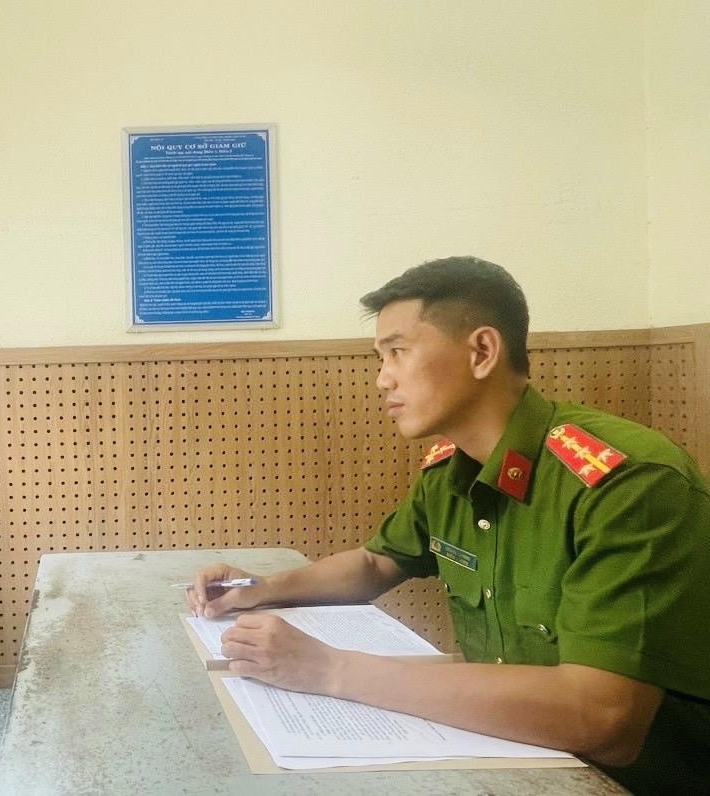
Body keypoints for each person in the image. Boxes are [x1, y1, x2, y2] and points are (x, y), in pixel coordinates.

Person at [185, 256, 710, 792]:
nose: (381, 379)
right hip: (516, 761)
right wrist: (261, 588)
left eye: (398, 352)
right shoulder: (451, 468)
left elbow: (602, 718)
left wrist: (329, 669)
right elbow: (375, 563)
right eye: (380, 358)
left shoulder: (627, 484)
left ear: (481, 352)